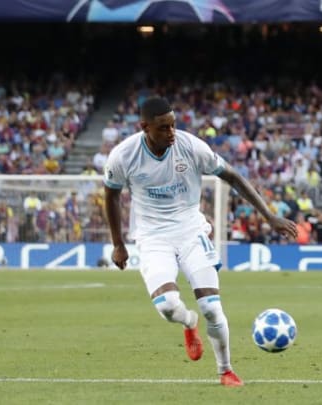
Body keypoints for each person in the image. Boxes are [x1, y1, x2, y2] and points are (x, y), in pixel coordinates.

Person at [103, 97, 298, 387]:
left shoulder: (191, 147)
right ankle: (189, 323)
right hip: (152, 237)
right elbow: (111, 195)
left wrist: (268, 215)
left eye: (173, 126)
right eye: (163, 128)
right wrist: (118, 244)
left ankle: (226, 371)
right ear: (144, 127)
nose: (171, 133)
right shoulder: (123, 156)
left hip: (191, 231)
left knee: (212, 307)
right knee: (168, 306)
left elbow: (232, 176)